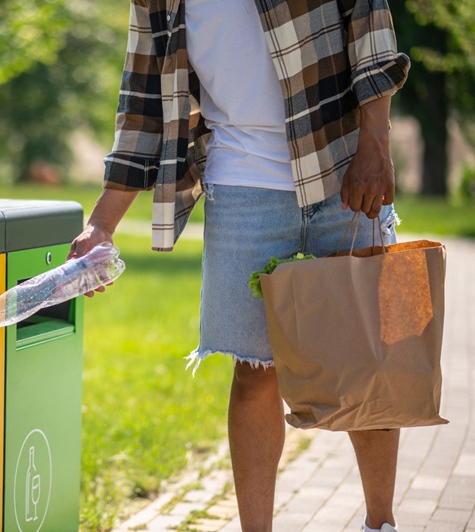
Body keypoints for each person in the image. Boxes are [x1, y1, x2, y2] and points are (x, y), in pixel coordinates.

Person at [67, 1, 409, 531]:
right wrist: (101, 226)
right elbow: (143, 105)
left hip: (343, 172)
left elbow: (371, 30)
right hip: (242, 187)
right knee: (254, 373)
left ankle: (380, 523)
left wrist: (376, 143)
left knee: (365, 365)